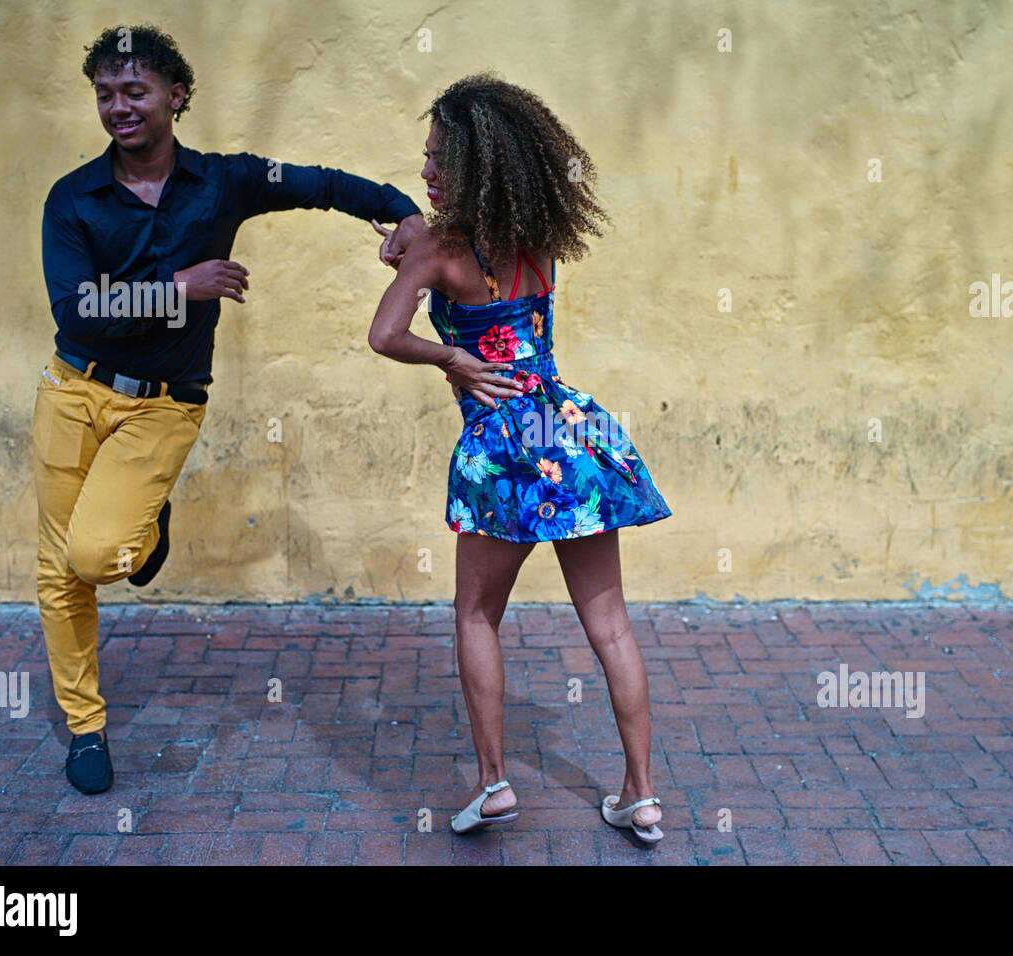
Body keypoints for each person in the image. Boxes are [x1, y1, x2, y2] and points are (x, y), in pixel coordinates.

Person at [36, 24, 425, 794]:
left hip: (163, 406)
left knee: (96, 556)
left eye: (134, 92)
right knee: (59, 573)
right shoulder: (72, 198)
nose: (119, 108)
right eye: (105, 95)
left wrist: (402, 211)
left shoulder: (228, 180)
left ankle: (143, 534)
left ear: (176, 96)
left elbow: (321, 184)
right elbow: (77, 308)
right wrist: (180, 287)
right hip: (72, 390)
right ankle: (85, 728)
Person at [368, 74, 672, 843]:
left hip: (502, 451)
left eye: (439, 161)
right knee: (611, 628)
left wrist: (451, 360)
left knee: (475, 614)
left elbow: (383, 336)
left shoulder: (440, 251)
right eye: (426, 159)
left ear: (475, 167)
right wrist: (407, 242)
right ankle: (641, 795)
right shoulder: (538, 236)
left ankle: (494, 783)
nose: (427, 173)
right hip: (571, 436)